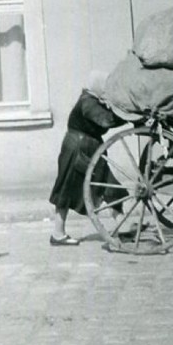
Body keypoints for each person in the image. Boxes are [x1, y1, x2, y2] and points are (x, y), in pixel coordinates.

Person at [48, 70, 128, 245]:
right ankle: (57, 234)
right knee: (66, 190)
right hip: (77, 149)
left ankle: (123, 225)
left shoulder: (92, 100)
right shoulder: (87, 103)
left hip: (90, 147)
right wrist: (129, 116)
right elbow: (106, 120)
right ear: (97, 86)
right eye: (104, 87)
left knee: (109, 185)